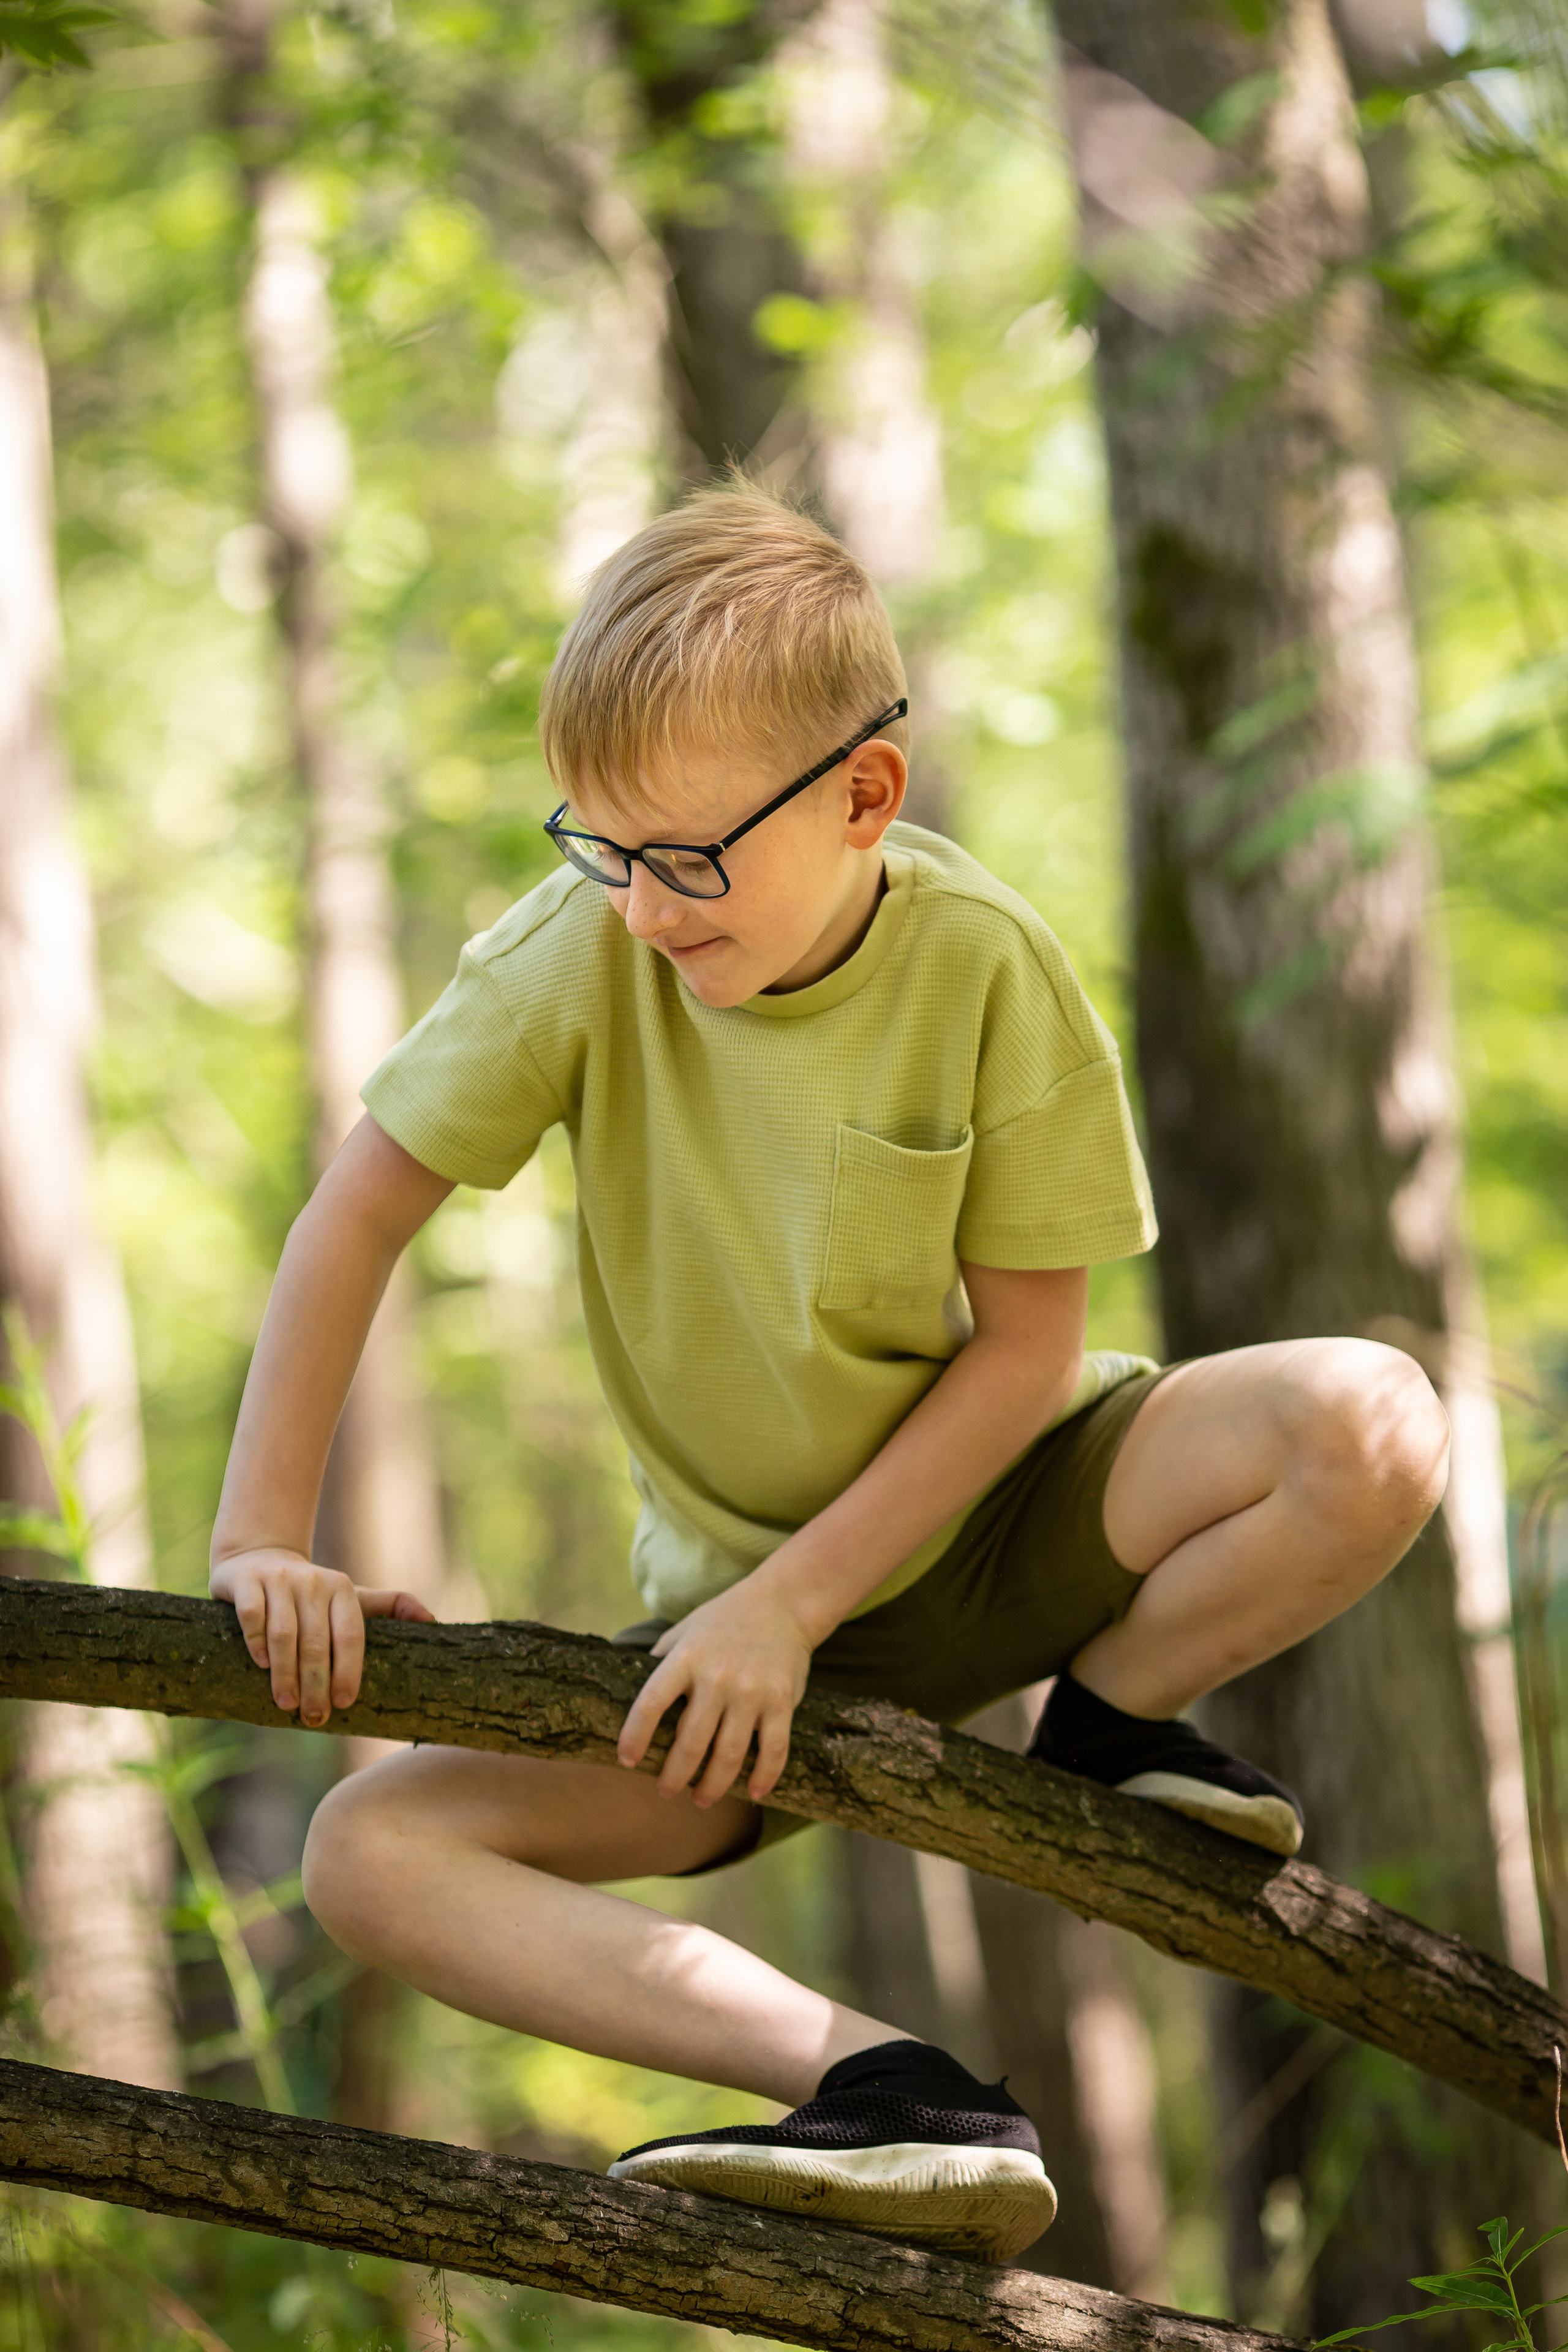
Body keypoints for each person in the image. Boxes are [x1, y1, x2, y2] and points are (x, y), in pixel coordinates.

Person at [209, 486, 1450, 2264]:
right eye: (603, 847)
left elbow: (1029, 1350)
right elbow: (356, 1215)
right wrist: (264, 1538)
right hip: (734, 1642)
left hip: (1012, 1510)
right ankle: (889, 2090)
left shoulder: (987, 967)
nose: (643, 909)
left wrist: (806, 1602)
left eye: (690, 859)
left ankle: (1114, 1722)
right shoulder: (585, 953)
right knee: (371, 1854)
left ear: (865, 798)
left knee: (1373, 1416)